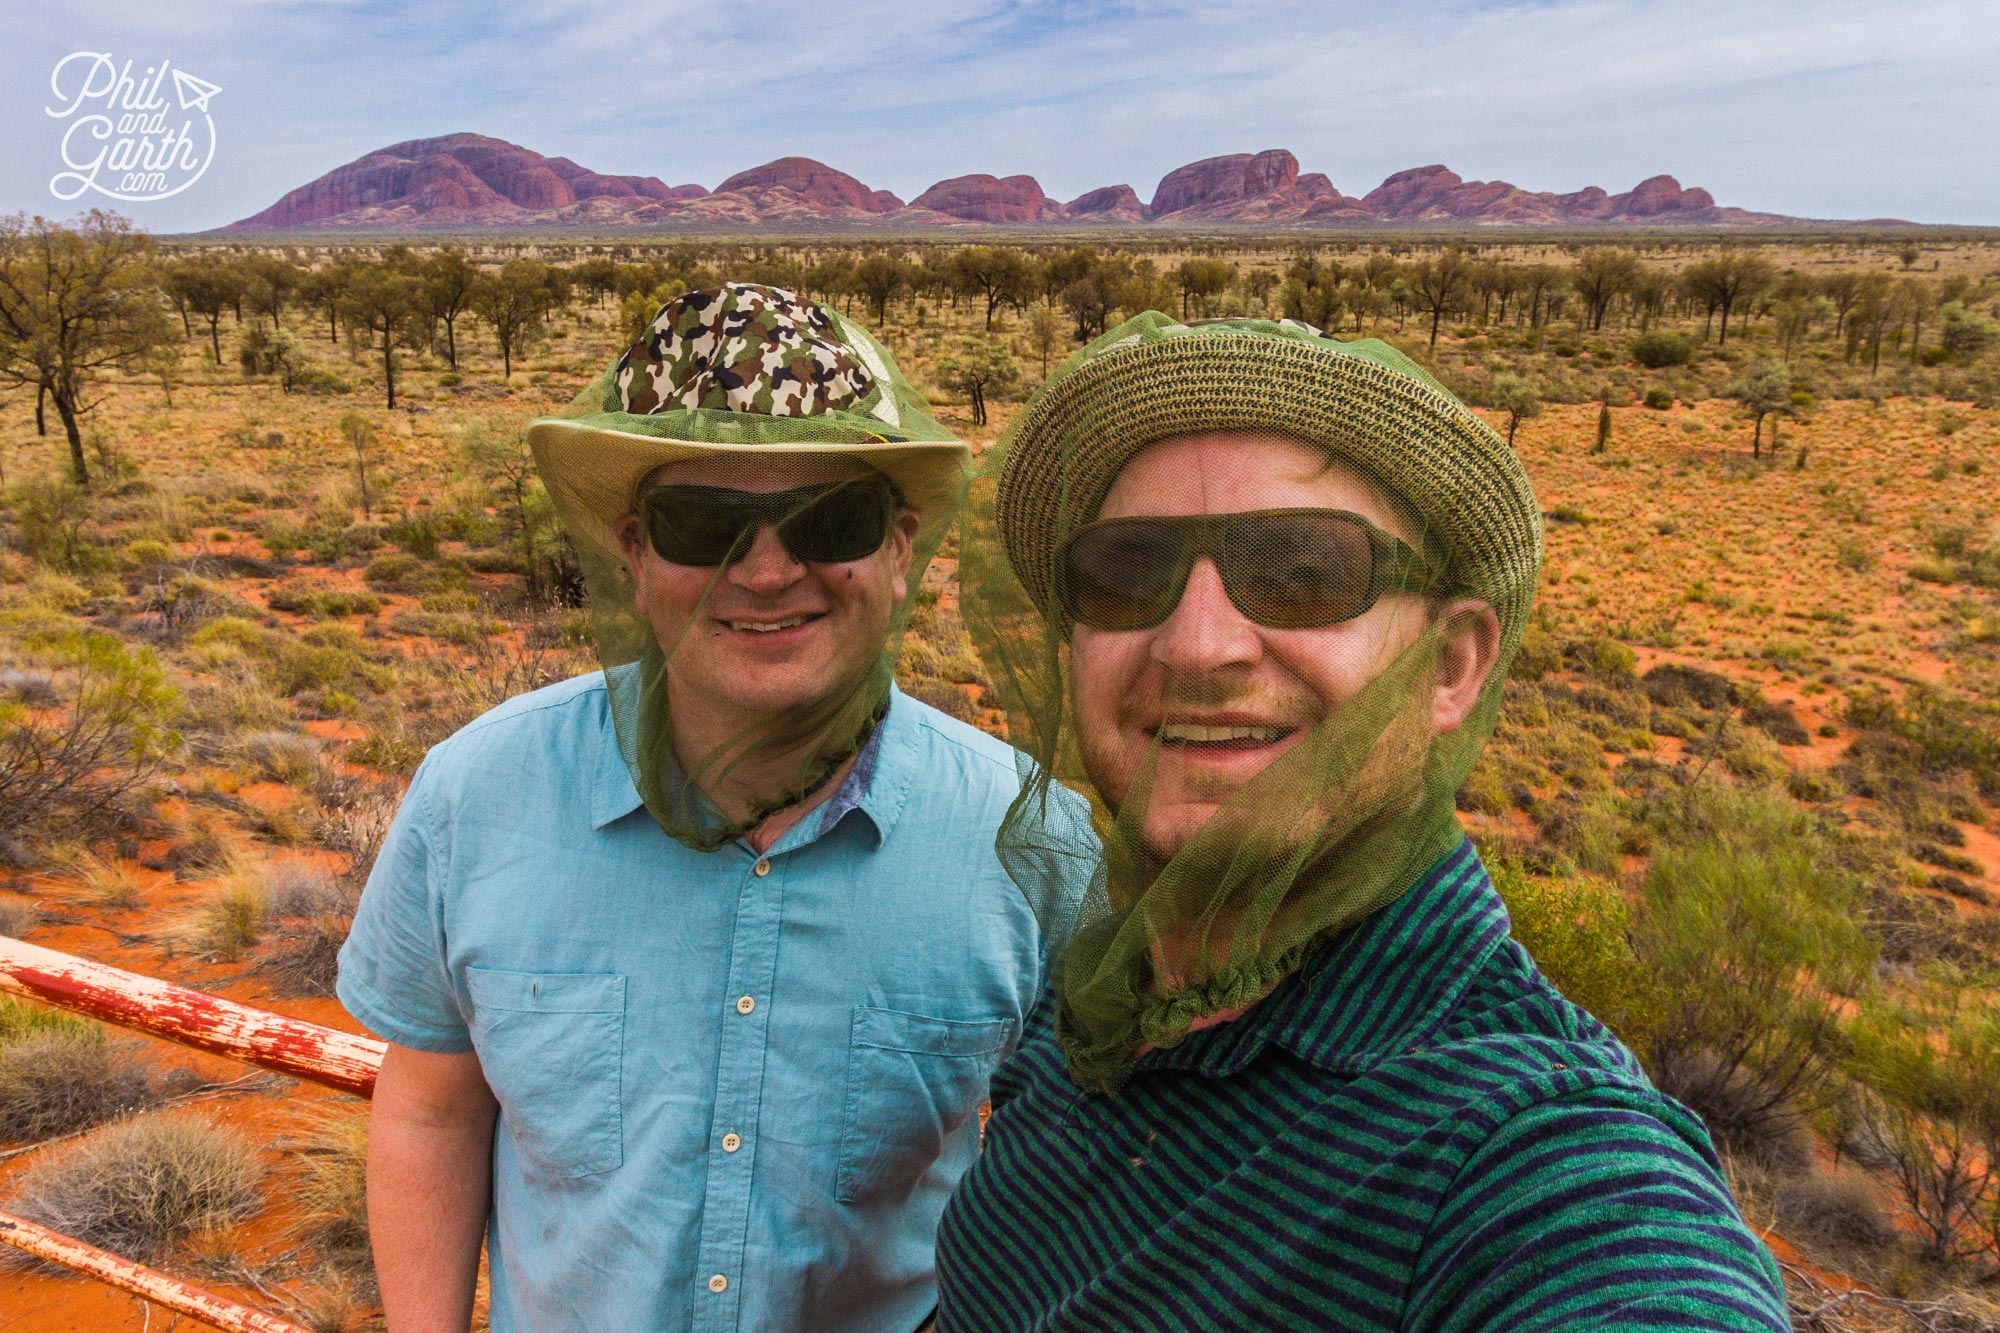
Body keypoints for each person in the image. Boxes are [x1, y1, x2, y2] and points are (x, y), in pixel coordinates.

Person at [936, 311, 1791, 1331]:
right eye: (1125, 573)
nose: (1197, 644)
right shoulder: (1102, 997)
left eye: (1301, 571)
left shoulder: (1518, 1149)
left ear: (1450, 664)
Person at [337, 283, 1046, 1333]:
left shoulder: (1025, 837)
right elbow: (432, 1107)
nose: (765, 568)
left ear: (900, 550)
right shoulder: (474, 795)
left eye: (826, 517)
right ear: (633, 552)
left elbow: (1076, 1169)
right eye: (701, 523)